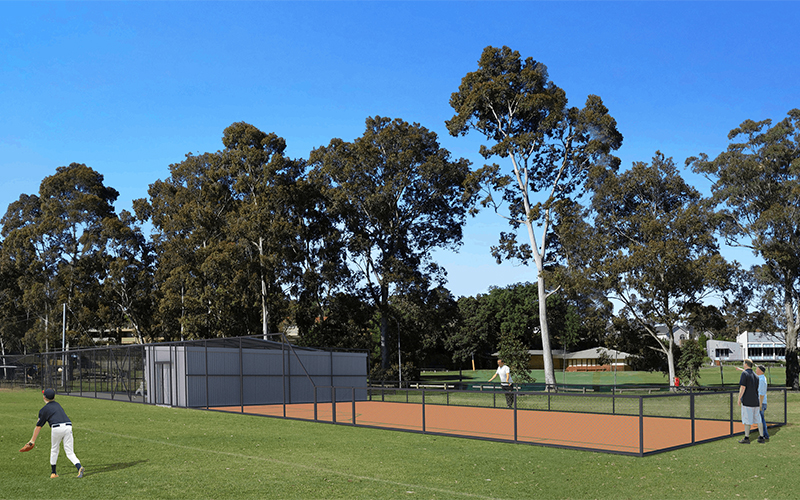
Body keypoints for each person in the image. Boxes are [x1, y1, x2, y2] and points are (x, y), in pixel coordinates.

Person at [27, 388, 85, 478]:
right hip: (68, 426)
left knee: (54, 449)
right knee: (70, 452)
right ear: (54, 397)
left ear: (44, 398)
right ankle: (79, 467)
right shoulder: (58, 405)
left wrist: (32, 441)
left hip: (57, 428)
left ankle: (53, 473)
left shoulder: (44, 410)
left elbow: (38, 426)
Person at [737, 359, 765, 444]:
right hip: (755, 401)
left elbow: (743, 387)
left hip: (747, 401)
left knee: (747, 420)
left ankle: (746, 438)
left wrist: (739, 399)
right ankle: (761, 436)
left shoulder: (744, 374)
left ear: (746, 364)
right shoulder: (756, 376)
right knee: (758, 419)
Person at [756, 364, 769, 441]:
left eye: (757, 369)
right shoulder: (760, 378)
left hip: (761, 402)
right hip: (761, 402)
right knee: (760, 419)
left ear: (760, 371)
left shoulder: (761, 380)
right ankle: (764, 434)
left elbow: (761, 393)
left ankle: (764, 435)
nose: (755, 370)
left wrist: (760, 405)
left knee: (761, 419)